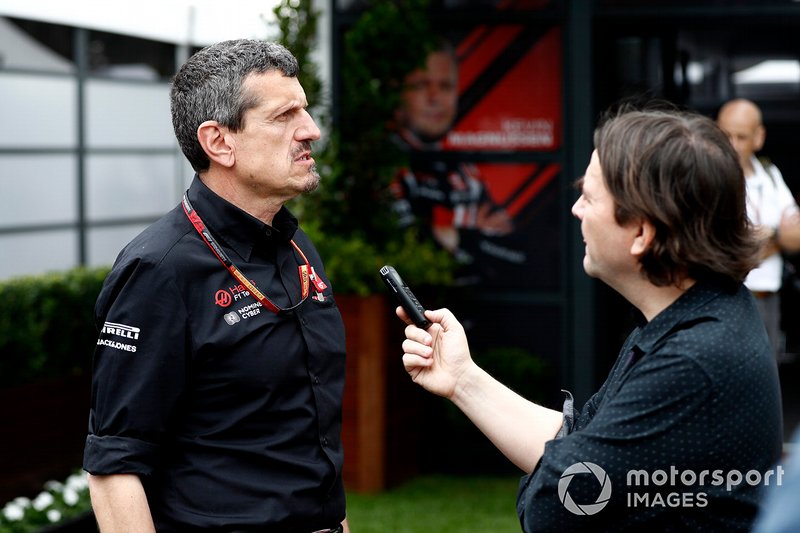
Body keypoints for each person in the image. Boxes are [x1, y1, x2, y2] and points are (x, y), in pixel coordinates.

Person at [396, 108, 783, 531]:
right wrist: (463, 379)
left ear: (641, 234)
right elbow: (576, 439)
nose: (577, 208)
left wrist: (548, 481)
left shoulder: (693, 360)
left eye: (590, 195)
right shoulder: (698, 312)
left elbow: (553, 509)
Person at [83, 39, 349, 533]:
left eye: (306, 112)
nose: (310, 130)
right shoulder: (158, 270)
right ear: (219, 142)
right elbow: (115, 465)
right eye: (284, 116)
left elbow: (306, 436)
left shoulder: (295, 246)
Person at [390, 39, 516, 285]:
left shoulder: (466, 174)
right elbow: (409, 248)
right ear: (399, 94)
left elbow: (516, 253)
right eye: (420, 85)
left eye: (445, 86)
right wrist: (475, 236)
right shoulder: (387, 167)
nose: (434, 97)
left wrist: (455, 236)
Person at [717, 98, 800, 361]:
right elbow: (723, 244)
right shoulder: (711, 177)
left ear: (758, 137)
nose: (732, 144)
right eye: (725, 135)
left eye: (741, 137)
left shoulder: (769, 174)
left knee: (768, 375)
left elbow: (796, 237)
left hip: (768, 296)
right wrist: (776, 236)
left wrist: (767, 236)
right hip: (729, 296)